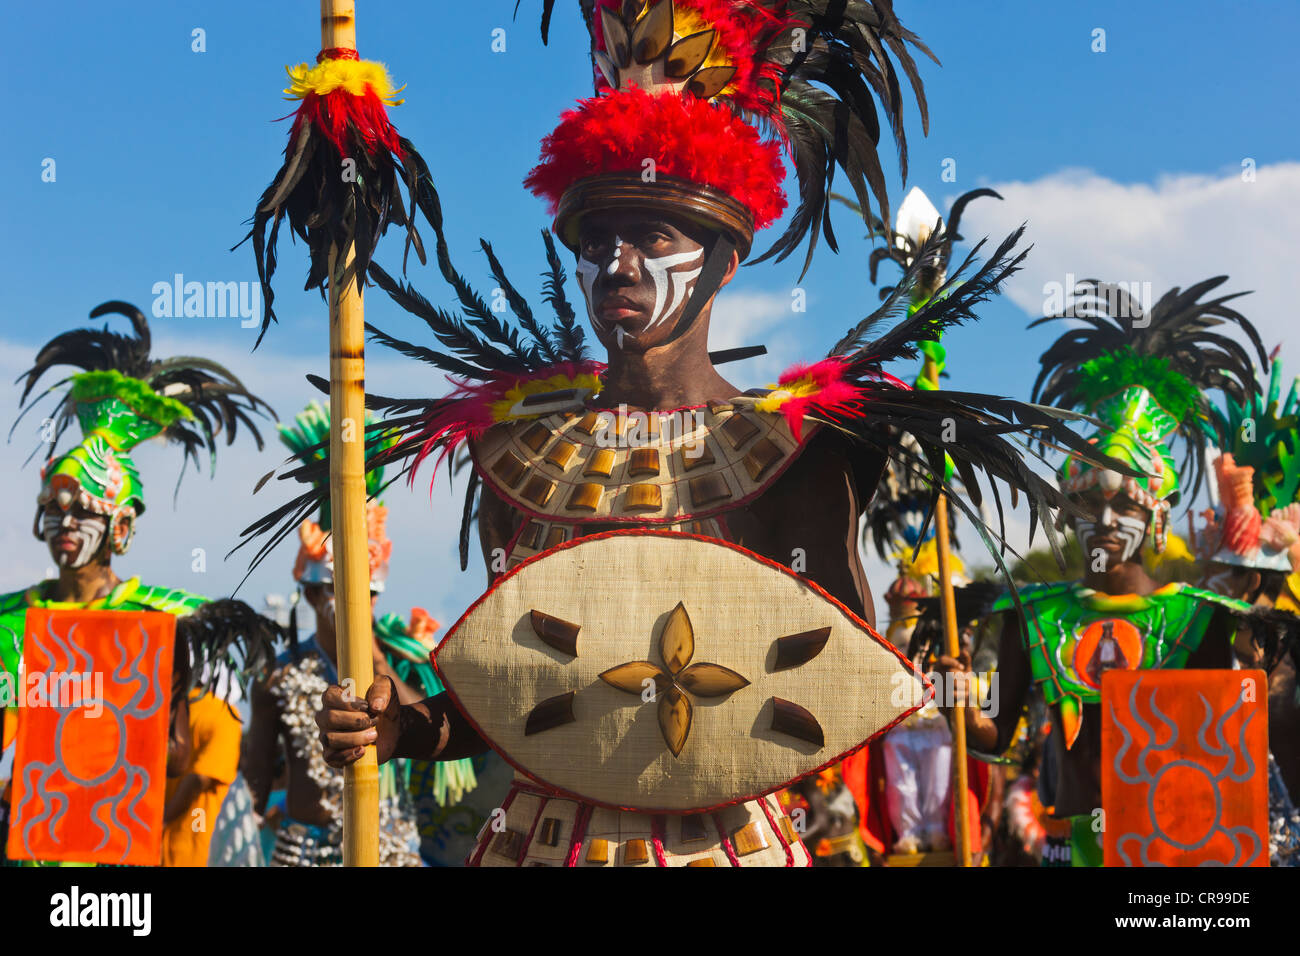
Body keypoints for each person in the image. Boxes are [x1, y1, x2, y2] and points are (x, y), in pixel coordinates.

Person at [305, 0, 1124, 867]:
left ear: (726, 261)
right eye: (598, 238)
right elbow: (512, 707)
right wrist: (404, 725)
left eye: (652, 234)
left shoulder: (798, 456)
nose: (616, 265)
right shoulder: (520, 456)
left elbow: (841, 690)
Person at [938, 277, 1269, 866]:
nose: (1107, 520)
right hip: (1065, 850)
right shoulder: (1032, 616)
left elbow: (1229, 760)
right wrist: (956, 700)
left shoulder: (1203, 620)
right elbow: (992, 740)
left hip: (1174, 858)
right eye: (1091, 505)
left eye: (1127, 504)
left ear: (1157, 516)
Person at [0, 301, 277, 866]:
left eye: (83, 508)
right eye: (55, 508)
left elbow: (209, 755)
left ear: (121, 526)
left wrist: (145, 827)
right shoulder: (10, 620)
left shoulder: (170, 621)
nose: (66, 522)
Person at [243, 402, 477, 866]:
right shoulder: (277, 674)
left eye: (368, 592)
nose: (356, 602)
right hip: (304, 853)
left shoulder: (408, 656)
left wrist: (377, 660)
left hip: (391, 852)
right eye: (336, 588)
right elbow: (254, 780)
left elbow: (426, 727)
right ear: (311, 595)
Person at [161, 690, 243, 866]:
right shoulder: (225, 714)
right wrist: (165, 818)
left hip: (161, 842)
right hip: (193, 842)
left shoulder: (172, 705)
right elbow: (200, 778)